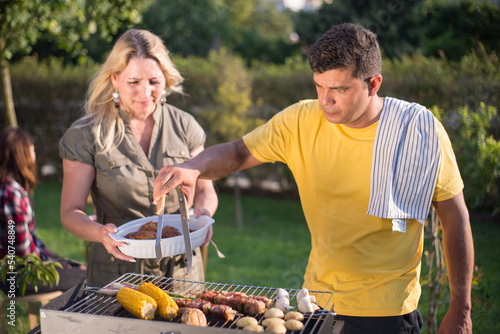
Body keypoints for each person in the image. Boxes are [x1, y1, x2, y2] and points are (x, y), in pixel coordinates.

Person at [153, 23, 473, 334]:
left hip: (387, 314)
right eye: (319, 86)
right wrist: (194, 167)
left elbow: (454, 216)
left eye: (339, 89)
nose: (325, 100)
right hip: (317, 306)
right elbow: (238, 152)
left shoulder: (418, 131)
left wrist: (461, 307)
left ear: (373, 84)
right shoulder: (301, 121)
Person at [59, 29, 218, 288]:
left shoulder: (185, 125)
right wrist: (100, 234)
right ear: (115, 80)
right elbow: (70, 212)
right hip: (119, 273)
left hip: (182, 271)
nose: (145, 93)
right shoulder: (85, 135)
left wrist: (204, 214)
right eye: (134, 82)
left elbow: (205, 191)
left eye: (154, 82)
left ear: (165, 80)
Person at [0, 127, 87, 296]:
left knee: (78, 268)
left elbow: (32, 243)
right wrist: (54, 266)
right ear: (22, 154)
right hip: (20, 277)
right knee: (88, 278)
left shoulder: (9, 189)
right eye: (32, 149)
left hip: (17, 273)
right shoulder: (11, 194)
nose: (34, 154)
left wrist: (62, 263)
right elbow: (21, 253)